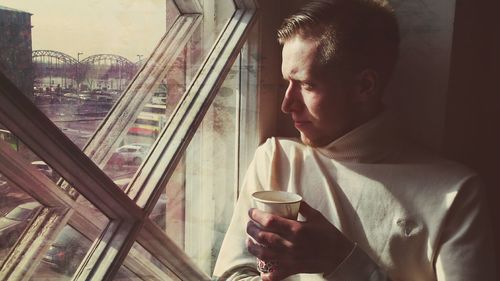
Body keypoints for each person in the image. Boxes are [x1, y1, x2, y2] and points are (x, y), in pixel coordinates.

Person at [213, 0, 497, 280]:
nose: (287, 105)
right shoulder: (276, 158)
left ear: (364, 86)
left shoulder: (455, 193)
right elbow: (233, 274)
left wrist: (343, 262)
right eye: (287, 82)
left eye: (307, 85)